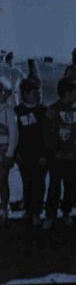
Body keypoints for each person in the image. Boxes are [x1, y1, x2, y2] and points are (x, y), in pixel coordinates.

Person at [44, 77, 76, 228]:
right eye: (74, 92)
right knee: (54, 186)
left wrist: (75, 152)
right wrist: (55, 152)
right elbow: (48, 134)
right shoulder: (52, 110)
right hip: (57, 157)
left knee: (70, 186)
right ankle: (50, 216)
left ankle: (67, 212)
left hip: (72, 157)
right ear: (67, 92)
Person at [14, 78, 45, 226]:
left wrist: (44, 155)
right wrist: (16, 154)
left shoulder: (43, 111)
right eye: (35, 93)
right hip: (23, 156)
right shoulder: (17, 111)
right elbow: (15, 135)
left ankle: (37, 212)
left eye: (40, 92)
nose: (39, 96)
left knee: (38, 184)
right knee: (27, 184)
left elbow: (47, 137)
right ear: (25, 94)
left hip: (40, 157)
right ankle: (28, 210)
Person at [0, 77, 17, 224]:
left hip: (3, 149)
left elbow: (13, 134)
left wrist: (10, 152)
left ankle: (4, 208)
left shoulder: (8, 111)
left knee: (2, 180)